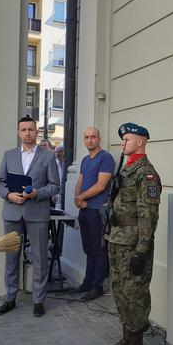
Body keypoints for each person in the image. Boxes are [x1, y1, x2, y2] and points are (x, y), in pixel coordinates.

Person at [102, 123, 161, 345]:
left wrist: (141, 250)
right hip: (116, 238)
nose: (123, 143)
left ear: (140, 141)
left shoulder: (146, 173)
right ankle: (127, 338)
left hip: (133, 243)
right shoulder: (125, 170)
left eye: (127, 139)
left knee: (135, 293)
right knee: (119, 289)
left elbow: (148, 215)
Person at [0, 115, 60, 317]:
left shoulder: (48, 156)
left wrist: (36, 193)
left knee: (40, 258)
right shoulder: (9, 155)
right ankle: (10, 298)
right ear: (18, 132)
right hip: (13, 213)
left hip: (37, 213)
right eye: (23, 130)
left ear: (36, 131)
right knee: (11, 258)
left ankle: (38, 300)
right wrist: (9, 194)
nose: (27, 133)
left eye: (31, 129)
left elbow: (55, 186)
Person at [72, 128, 115, 300]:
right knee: (89, 249)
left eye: (93, 137)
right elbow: (79, 182)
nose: (90, 140)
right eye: (86, 137)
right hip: (84, 209)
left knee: (99, 250)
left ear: (99, 138)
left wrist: (81, 197)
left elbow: (101, 185)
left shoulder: (105, 158)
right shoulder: (84, 160)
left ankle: (97, 287)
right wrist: (77, 198)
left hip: (98, 210)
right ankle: (87, 282)